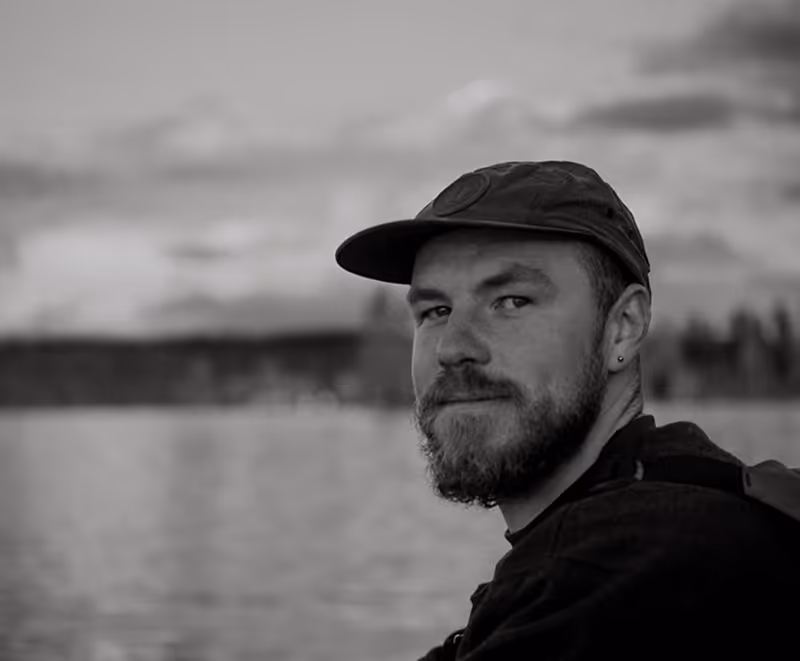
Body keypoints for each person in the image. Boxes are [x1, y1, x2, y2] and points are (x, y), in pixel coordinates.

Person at [334, 161, 800, 660]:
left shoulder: (625, 574)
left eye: (511, 301)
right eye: (435, 311)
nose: (452, 347)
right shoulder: (690, 490)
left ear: (623, 327)